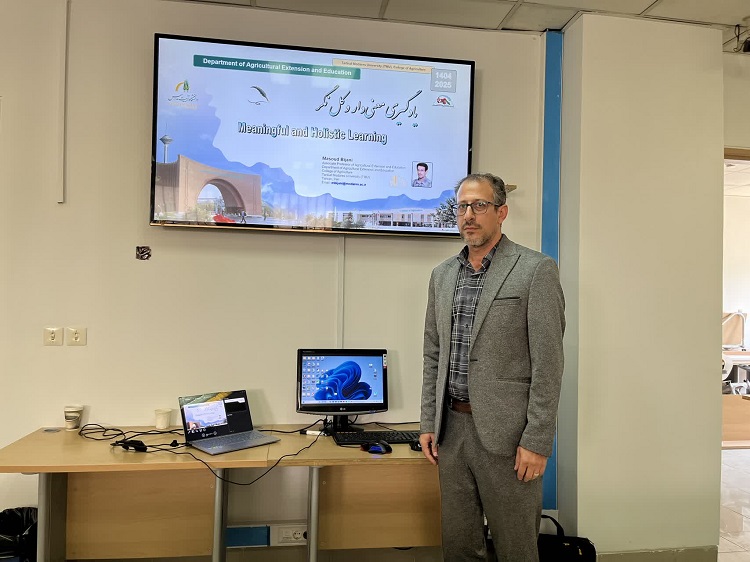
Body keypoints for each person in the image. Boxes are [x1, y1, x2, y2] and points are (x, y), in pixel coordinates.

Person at [419, 172, 565, 561]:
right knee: (459, 546)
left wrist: (537, 440)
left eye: (479, 205)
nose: (469, 215)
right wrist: (429, 422)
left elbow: (549, 363)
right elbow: (433, 353)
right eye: (462, 206)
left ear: (501, 212)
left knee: (516, 548)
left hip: (509, 436)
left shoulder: (535, 270)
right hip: (451, 432)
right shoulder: (442, 275)